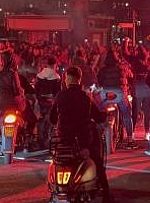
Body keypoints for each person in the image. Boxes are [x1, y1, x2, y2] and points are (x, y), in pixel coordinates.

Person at [49, 66, 112, 203]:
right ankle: (107, 195)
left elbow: (52, 118)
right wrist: (105, 113)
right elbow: (98, 117)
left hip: (64, 140)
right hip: (83, 141)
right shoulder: (85, 97)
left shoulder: (61, 96)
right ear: (79, 79)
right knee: (98, 162)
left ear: (67, 79)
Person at [97, 50, 136, 148]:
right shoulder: (121, 68)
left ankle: (101, 133)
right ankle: (130, 139)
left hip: (106, 94)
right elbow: (130, 76)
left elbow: (99, 81)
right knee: (127, 114)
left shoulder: (102, 70)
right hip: (119, 93)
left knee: (101, 112)